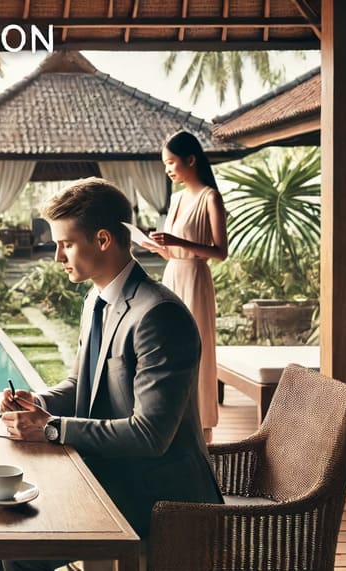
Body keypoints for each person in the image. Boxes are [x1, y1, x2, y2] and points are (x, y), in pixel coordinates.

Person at [0, 178, 222, 571]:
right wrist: (37, 403)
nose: (57, 256)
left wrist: (52, 428)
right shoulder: (97, 298)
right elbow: (81, 386)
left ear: (104, 240)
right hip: (107, 471)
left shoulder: (158, 315)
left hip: (158, 494)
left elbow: (150, 435)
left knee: (15, 552)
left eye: (66, 243)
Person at [146, 131, 228, 444]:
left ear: (190, 160)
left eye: (170, 162)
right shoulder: (177, 199)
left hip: (195, 278)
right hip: (174, 274)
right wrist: (160, 248)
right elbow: (174, 252)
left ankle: (203, 426)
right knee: (170, 347)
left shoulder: (210, 197)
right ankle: (174, 418)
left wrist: (179, 242)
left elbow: (220, 252)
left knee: (197, 349)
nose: (167, 168)